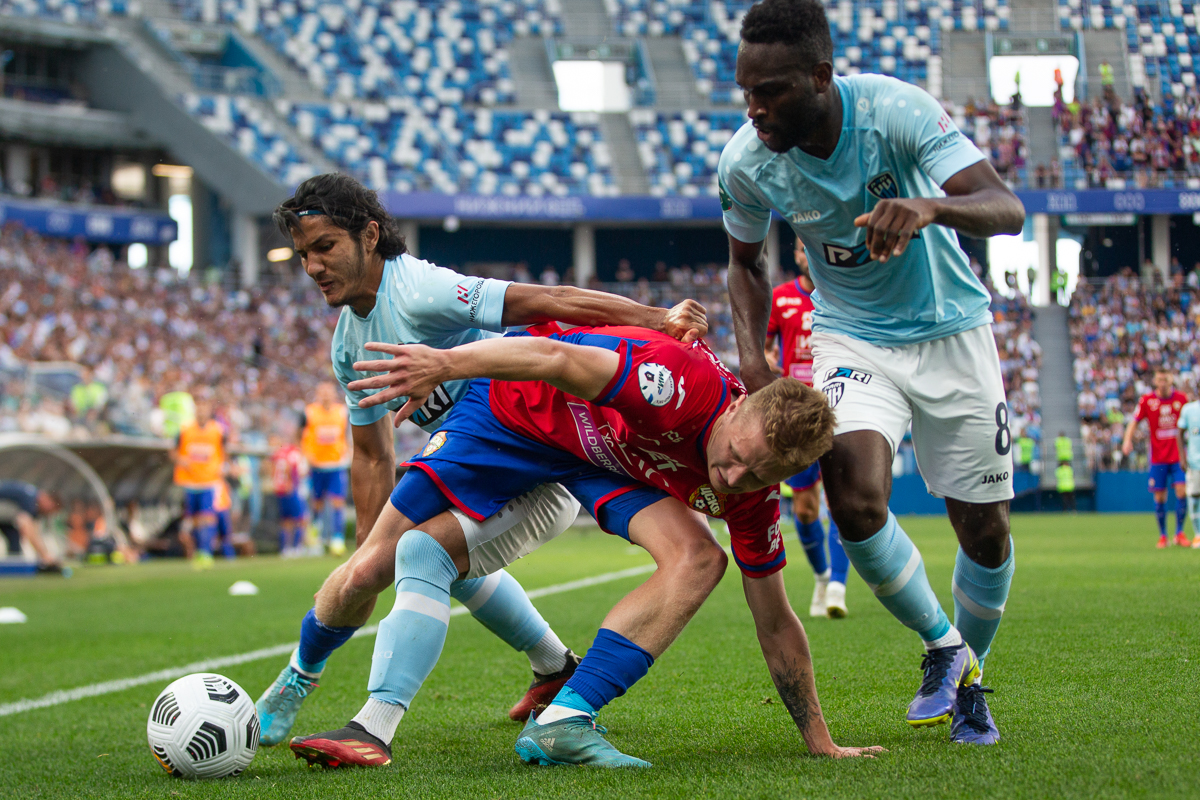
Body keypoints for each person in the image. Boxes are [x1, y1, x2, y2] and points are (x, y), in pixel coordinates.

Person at [289, 325, 884, 768]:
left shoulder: (752, 497)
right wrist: (443, 363)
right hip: (521, 414)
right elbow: (553, 356)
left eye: (756, 476)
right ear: (737, 407)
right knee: (377, 563)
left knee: (702, 558)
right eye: (732, 456)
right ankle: (293, 686)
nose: (730, 479)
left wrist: (820, 740)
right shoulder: (677, 384)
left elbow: (775, 621)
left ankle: (566, 715)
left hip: (600, 461)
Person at [255, 173, 711, 749]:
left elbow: (546, 301)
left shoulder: (420, 290)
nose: (313, 266)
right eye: (303, 255)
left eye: (325, 247)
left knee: (421, 552)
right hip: (477, 459)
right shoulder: (349, 345)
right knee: (409, 557)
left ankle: (359, 719)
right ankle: (554, 667)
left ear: (369, 236)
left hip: (536, 446)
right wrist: (369, 550)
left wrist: (654, 318)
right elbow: (371, 454)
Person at [719, 0, 1026, 746]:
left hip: (953, 331)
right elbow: (745, 264)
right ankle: (943, 646)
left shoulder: (895, 111)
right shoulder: (746, 162)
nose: (754, 109)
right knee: (854, 500)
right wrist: (753, 356)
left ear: (821, 77)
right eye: (747, 92)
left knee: (984, 533)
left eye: (771, 92)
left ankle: (969, 679)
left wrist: (928, 208)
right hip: (852, 337)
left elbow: (1006, 208)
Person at [766, 238, 850, 618]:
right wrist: (769, 360)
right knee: (804, 510)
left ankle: (837, 586)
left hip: (841, 407)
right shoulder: (781, 297)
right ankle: (822, 577)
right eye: (800, 248)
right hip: (796, 416)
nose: (806, 253)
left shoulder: (845, 292)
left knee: (842, 501)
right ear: (797, 254)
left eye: (811, 246)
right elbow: (765, 344)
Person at [1122, 369, 1188, 548]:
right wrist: (1127, 440)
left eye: (1165, 379)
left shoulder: (1181, 399)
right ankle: (1163, 535)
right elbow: (1134, 421)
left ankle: (1179, 532)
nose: (1163, 383)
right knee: (1159, 497)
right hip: (1158, 458)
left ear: (1171, 380)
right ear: (1155, 381)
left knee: (1182, 491)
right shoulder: (1147, 400)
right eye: (1160, 379)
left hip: (1178, 457)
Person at [171, 398, 226, 569]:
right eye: (199, 409)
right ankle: (198, 552)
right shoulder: (185, 430)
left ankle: (206, 552)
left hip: (209, 481)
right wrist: (181, 460)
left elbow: (225, 451)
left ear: (209, 411)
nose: (201, 412)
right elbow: (173, 451)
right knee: (194, 519)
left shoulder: (218, 430)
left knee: (207, 517)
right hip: (190, 482)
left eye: (204, 409)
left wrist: (222, 466)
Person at [301, 382, 351, 556]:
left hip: (336, 465)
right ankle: (315, 532)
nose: (326, 395)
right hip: (316, 465)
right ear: (317, 394)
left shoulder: (342, 412)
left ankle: (337, 539)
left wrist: (349, 451)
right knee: (317, 503)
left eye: (328, 392)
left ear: (334, 394)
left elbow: (347, 434)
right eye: (322, 392)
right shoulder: (309, 412)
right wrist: (305, 455)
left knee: (338, 502)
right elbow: (300, 434)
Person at [0, 481, 61, 570]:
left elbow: (34, 531)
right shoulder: (30, 499)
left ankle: (13, 570)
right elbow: (28, 528)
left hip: (5, 518)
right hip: (3, 513)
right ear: (47, 499)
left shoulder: (33, 499)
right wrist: (45, 555)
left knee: (14, 542)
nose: (49, 513)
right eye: (51, 509)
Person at [270, 433, 309, 556]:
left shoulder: (279, 453)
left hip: (280, 490)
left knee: (286, 520)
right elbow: (295, 470)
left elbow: (273, 469)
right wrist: (291, 482)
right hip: (292, 489)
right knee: (301, 518)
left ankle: (285, 548)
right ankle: (297, 547)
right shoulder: (294, 453)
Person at [1177, 394, 1200, 547]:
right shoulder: (1189, 409)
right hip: (1195, 461)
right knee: (1194, 496)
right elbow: (1179, 433)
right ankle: (1198, 534)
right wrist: (1182, 457)